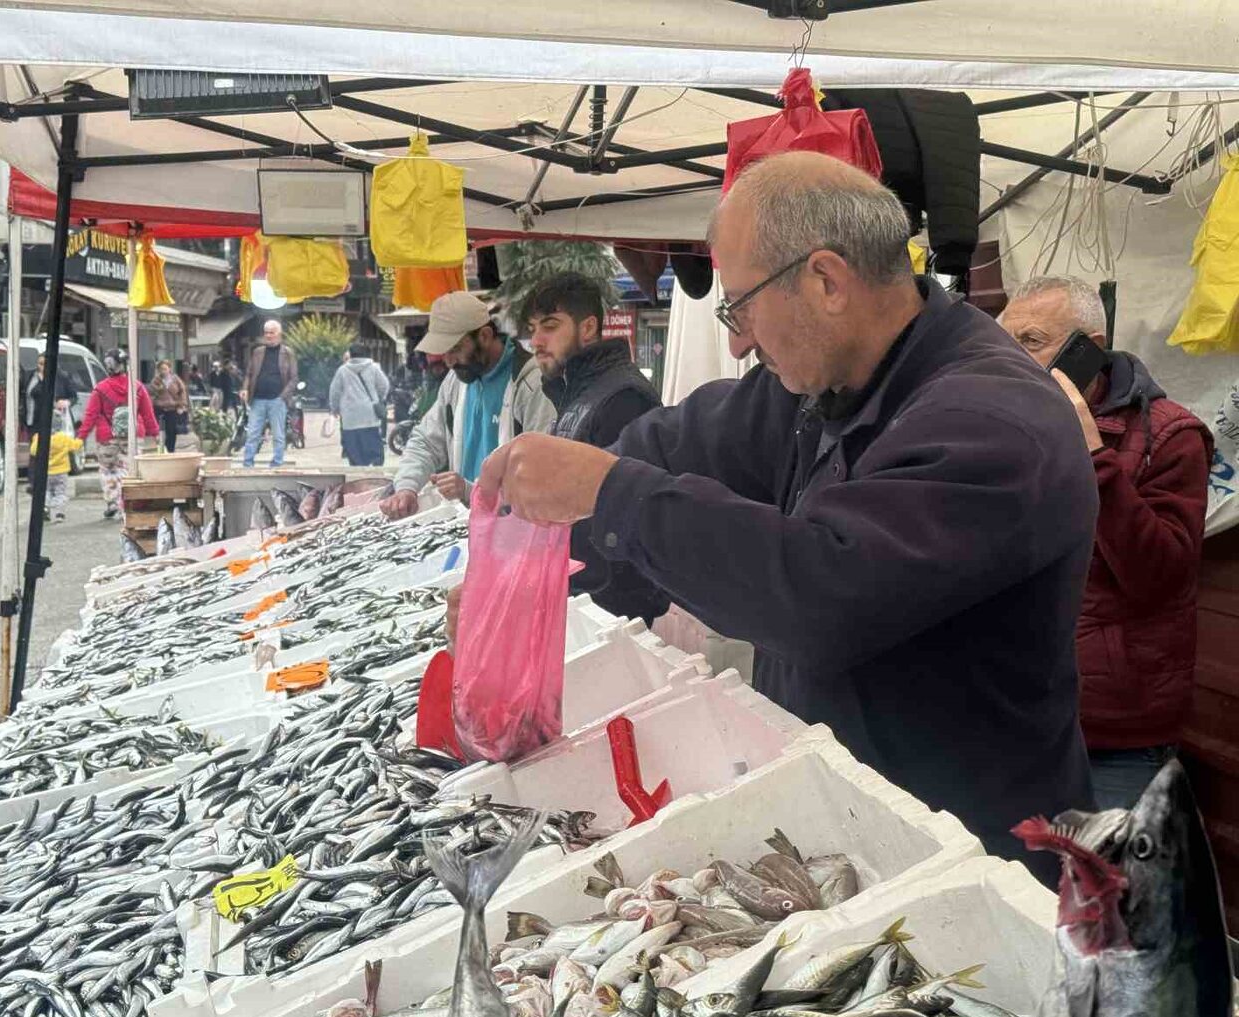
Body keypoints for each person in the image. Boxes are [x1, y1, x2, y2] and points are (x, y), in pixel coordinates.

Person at [470, 153, 1099, 881]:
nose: (736, 340)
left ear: (826, 281)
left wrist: (610, 492)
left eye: (739, 307)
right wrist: (536, 537)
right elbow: (682, 442)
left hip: (978, 851)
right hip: (850, 819)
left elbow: (820, 591)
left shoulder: (994, 421)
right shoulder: (828, 375)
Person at [999, 275, 1213, 810]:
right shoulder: (1008, 426)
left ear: (1087, 351)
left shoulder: (1171, 435)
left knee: (1102, 886)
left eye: (1029, 341)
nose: (1011, 360)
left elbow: (1158, 576)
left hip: (1114, 733)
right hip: (1018, 713)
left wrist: (1091, 457)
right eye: (1003, 343)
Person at [524, 272, 665, 623]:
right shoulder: (576, 393)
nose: (537, 341)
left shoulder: (623, 397)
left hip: (613, 607)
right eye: (532, 329)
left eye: (550, 326)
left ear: (587, 328)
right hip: (582, 596)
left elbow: (624, 513)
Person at [379, 292, 554, 520]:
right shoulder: (456, 381)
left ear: (484, 335)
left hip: (515, 531)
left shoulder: (531, 383)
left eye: (456, 349)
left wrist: (469, 491)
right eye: (445, 352)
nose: (449, 360)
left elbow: (538, 475)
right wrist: (407, 487)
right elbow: (426, 440)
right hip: (467, 524)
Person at [77, 348, 159, 520]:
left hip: (108, 437)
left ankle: (113, 501)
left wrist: (81, 437)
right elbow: (147, 412)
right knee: (129, 470)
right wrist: (154, 433)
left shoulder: (100, 389)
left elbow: (90, 415)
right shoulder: (136, 387)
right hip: (133, 436)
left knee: (108, 470)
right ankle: (126, 502)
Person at [241, 320, 297, 468]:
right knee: (252, 433)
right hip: (257, 399)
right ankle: (248, 463)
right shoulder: (258, 352)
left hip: (277, 400)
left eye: (272, 332)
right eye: (266, 332)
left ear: (279, 334)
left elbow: (294, 378)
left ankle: (277, 463)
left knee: (278, 435)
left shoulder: (287, 353)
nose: (269, 335)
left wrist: (283, 397)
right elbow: (249, 373)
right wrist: (245, 388)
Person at [329, 349, 391, 467]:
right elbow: (384, 385)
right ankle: (375, 472)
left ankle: (358, 474)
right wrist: (378, 398)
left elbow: (334, 392)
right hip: (369, 415)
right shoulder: (373, 367)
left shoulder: (342, 370)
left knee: (355, 453)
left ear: (351, 355)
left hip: (350, 417)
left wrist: (334, 408)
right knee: (374, 447)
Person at [29, 425, 84, 523]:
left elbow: (33, 451)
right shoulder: (63, 438)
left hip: (46, 472)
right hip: (61, 472)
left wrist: (35, 438)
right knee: (60, 493)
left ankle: (45, 507)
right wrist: (81, 438)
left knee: (46, 491)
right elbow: (75, 446)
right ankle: (59, 513)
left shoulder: (39, 437)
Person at [23, 351, 73, 430]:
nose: (42, 367)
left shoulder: (62, 377)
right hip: (32, 422)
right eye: (40, 364)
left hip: (53, 423)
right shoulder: (31, 376)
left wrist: (65, 403)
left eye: (46, 364)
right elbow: (24, 395)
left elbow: (73, 397)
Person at [149, 360, 189, 453]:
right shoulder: (156, 380)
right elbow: (151, 392)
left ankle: (170, 450)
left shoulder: (175, 379)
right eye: (161, 369)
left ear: (169, 369)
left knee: (171, 431)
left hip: (172, 408)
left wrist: (182, 405)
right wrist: (158, 388)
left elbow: (182, 391)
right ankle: (161, 449)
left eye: (165, 369)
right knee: (160, 431)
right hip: (159, 408)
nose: (163, 371)